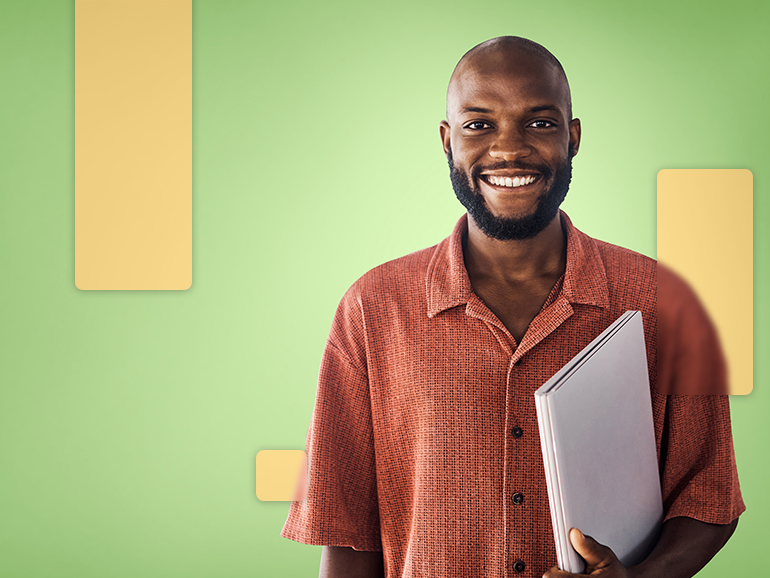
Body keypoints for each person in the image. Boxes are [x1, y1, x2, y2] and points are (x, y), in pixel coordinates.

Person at [282, 36, 744, 578]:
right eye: (479, 124)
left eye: (540, 123)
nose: (509, 149)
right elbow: (346, 532)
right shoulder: (371, 309)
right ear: (447, 140)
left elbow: (708, 501)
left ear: (572, 137)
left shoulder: (663, 301)